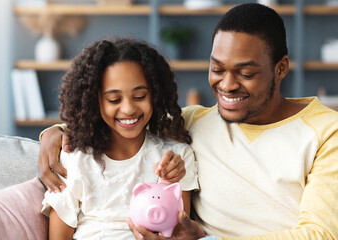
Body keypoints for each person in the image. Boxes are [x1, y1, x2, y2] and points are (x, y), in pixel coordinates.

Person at [39, 3, 338, 240]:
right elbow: (125, 121)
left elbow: (321, 234)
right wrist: (55, 132)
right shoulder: (195, 120)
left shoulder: (327, 132)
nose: (227, 85)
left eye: (245, 73)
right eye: (217, 69)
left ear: (281, 68)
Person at [40, 38, 199, 239]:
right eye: (114, 99)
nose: (128, 109)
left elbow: (178, 231)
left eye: (140, 96)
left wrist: (170, 181)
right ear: (94, 101)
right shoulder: (75, 158)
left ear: (156, 95)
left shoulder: (176, 157)